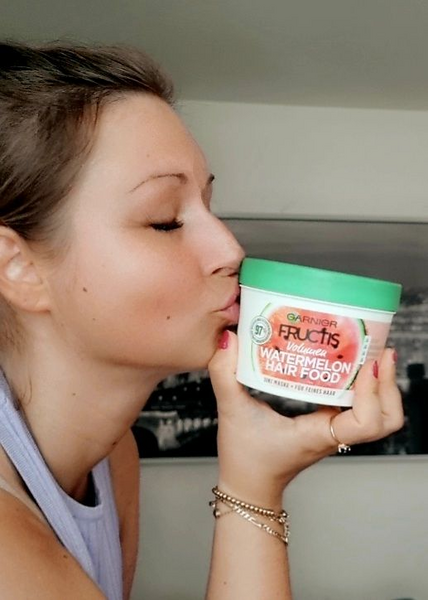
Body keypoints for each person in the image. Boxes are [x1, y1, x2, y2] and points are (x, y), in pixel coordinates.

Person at [0, 41, 404, 600]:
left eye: (208, 207)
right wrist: (253, 493)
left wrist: (254, 476)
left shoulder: (113, 456)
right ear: (17, 267)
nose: (231, 250)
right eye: (165, 220)